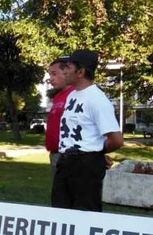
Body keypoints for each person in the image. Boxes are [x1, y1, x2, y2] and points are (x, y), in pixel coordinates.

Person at [51, 50, 124, 212]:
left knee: (85, 215)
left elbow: (117, 140)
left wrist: (96, 152)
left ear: (81, 72)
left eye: (68, 67)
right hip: (65, 162)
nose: (64, 70)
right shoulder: (73, 96)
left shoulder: (97, 99)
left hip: (85, 167)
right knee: (59, 213)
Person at [45, 58, 76, 180]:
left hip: (69, 155)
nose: (50, 79)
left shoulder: (75, 95)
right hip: (55, 154)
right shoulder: (58, 96)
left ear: (66, 72)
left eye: (54, 74)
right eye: (49, 75)